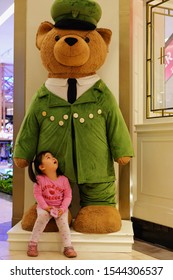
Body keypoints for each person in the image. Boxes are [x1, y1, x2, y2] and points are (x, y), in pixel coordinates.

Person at [27, 151, 77, 258]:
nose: (53, 158)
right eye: (48, 157)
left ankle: (68, 246)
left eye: (53, 156)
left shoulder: (64, 180)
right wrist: (45, 207)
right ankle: (32, 244)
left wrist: (63, 209)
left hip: (60, 207)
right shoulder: (40, 180)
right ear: (41, 166)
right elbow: (37, 195)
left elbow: (68, 196)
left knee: (63, 222)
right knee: (42, 217)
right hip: (44, 207)